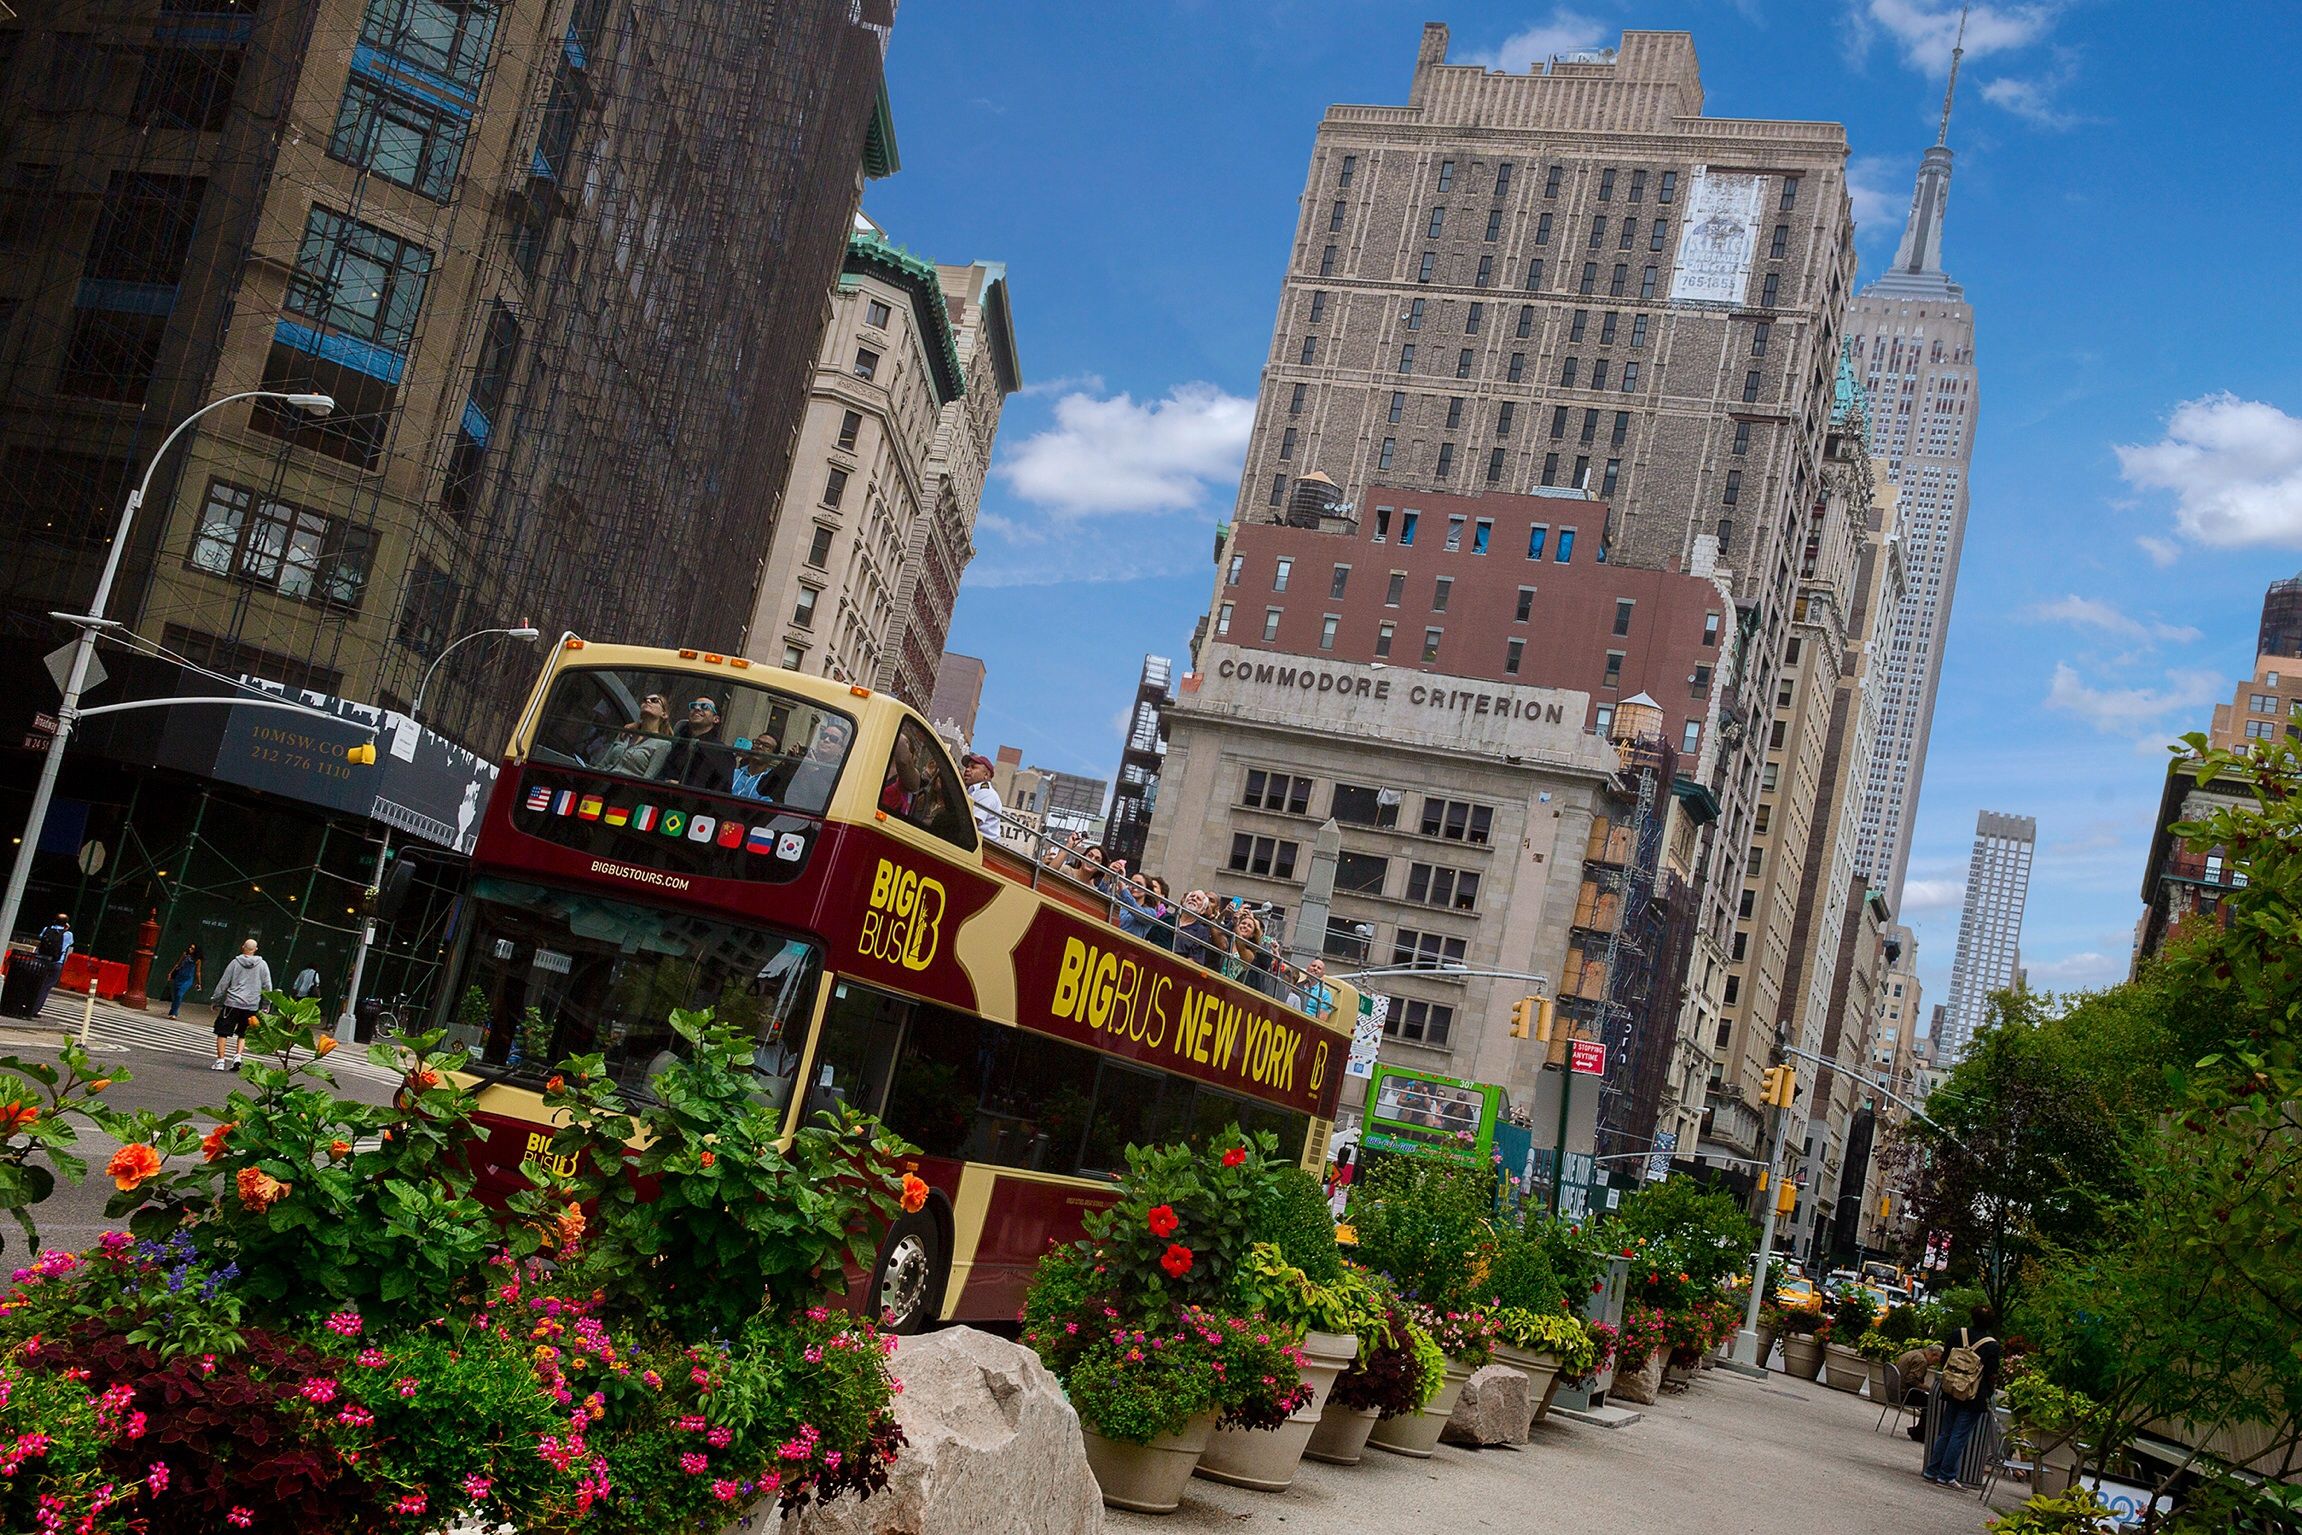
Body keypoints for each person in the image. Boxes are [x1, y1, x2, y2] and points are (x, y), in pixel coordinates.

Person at [1923, 1307, 2002, 1486]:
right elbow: (1992, 1373)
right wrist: (1989, 1391)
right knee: (1959, 1435)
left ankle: (1931, 1470)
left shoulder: (1958, 1334)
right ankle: (1947, 1475)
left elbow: (1944, 1360)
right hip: (1974, 1395)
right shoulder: (1991, 1345)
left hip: (1951, 1389)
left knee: (1946, 1432)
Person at [209, 937, 272, 1070]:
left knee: (222, 1032)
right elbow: (267, 986)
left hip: (232, 1002)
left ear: (243, 947)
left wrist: (216, 1000)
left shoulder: (234, 963)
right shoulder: (263, 965)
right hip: (251, 1004)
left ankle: (220, 1060)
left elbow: (224, 982)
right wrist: (266, 1004)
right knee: (243, 1033)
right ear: (255, 949)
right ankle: (237, 1056)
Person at [596, 692, 674, 777]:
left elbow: (647, 779)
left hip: (624, 788)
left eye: (654, 700)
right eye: (644, 700)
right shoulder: (627, 732)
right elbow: (602, 764)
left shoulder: (662, 744)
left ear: (664, 714)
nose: (647, 701)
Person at [661, 696, 731, 790]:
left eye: (705, 707)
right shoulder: (680, 741)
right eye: (694, 706)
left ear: (716, 719)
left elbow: (720, 791)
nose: (697, 708)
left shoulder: (721, 752)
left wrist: (682, 785)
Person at [1897, 1343, 1945, 1442]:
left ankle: (1919, 1431)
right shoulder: (1921, 1360)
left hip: (1895, 1391)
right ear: (1933, 1355)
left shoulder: (1912, 1353)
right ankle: (1920, 1433)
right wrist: (1928, 1389)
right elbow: (1911, 1381)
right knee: (1932, 1402)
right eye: (1936, 1360)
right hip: (1904, 1393)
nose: (1934, 1364)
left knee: (1927, 1399)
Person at [30, 913, 72, 1015]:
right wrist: (65, 929)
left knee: (36, 984)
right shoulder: (68, 934)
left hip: (41, 960)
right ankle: (35, 1010)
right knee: (46, 987)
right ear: (66, 924)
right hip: (56, 963)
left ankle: (28, 1006)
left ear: (54, 921)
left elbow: (40, 938)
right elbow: (67, 945)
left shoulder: (46, 930)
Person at [960, 753, 1003, 838]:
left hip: (982, 845)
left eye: (973, 767)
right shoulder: (972, 791)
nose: (967, 769)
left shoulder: (986, 793)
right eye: (967, 767)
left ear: (986, 775)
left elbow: (969, 823)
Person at [164, 941, 203, 1020]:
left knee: (179, 994)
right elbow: (178, 964)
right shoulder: (185, 955)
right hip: (179, 976)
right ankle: (172, 1011)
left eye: (192, 948)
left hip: (188, 979)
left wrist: (199, 983)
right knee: (176, 995)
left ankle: (174, 1013)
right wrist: (171, 973)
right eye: (190, 947)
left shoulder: (197, 960)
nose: (190, 949)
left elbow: (198, 972)